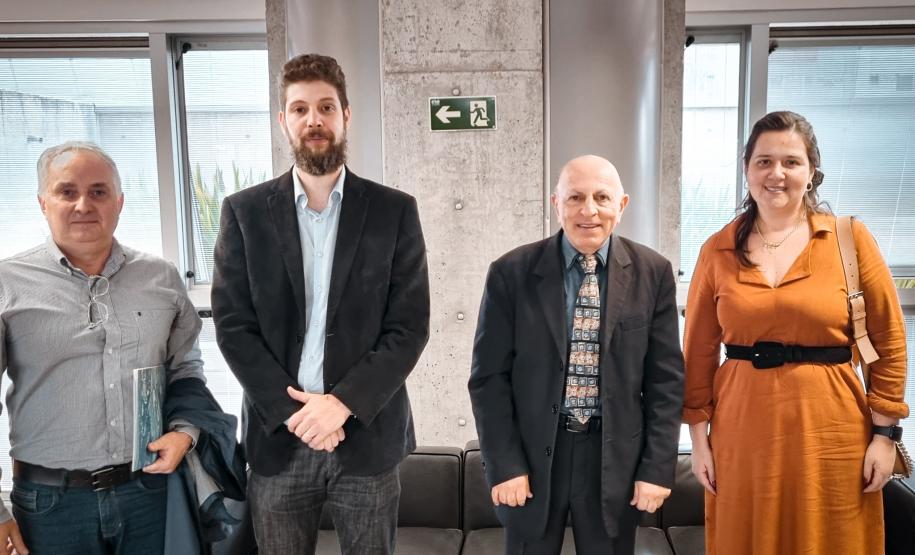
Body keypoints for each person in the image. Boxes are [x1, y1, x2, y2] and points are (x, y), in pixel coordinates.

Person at [211, 53, 430, 555]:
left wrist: (341, 405)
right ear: (283, 119)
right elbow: (233, 326)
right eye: (300, 108)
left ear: (346, 115)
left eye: (326, 107)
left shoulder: (393, 211)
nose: (314, 120)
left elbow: (408, 326)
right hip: (279, 438)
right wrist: (297, 414)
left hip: (367, 435)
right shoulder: (243, 214)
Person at [683, 111, 909, 554]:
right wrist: (698, 440)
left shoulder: (850, 240)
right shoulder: (718, 248)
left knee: (833, 538)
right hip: (741, 428)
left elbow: (890, 343)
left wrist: (885, 438)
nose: (776, 173)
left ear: (811, 173)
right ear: (747, 169)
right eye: (763, 161)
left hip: (833, 431)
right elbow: (697, 352)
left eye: (791, 161)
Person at [469, 155, 684, 554]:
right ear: (556, 204)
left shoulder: (653, 273)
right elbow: (488, 379)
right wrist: (505, 465)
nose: (589, 210)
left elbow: (666, 383)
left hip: (614, 460)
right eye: (575, 198)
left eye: (602, 197)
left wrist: (656, 469)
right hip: (532, 459)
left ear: (621, 205)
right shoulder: (510, 272)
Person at [0, 141, 207, 554]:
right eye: (66, 192)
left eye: (98, 191)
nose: (83, 204)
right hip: (50, 506)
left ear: (120, 202)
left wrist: (185, 432)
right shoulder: (7, 284)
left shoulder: (161, 279)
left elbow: (185, 368)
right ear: (43, 203)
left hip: (147, 492)